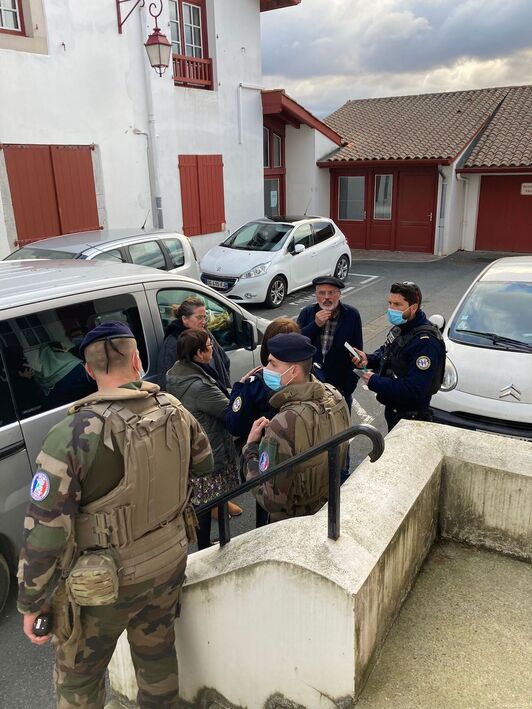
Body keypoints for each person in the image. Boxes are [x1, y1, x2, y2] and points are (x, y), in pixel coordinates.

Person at [17, 321, 214, 709]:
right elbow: (204, 464)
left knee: (79, 681)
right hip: (167, 560)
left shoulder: (73, 432)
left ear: (89, 372)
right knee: (157, 658)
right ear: (137, 360)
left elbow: (45, 530)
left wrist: (32, 601)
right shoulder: (172, 408)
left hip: (105, 584)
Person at [243, 333, 351, 523]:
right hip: (330, 507)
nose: (266, 369)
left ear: (293, 371)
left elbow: (271, 499)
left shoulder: (284, 422)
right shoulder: (334, 396)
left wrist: (251, 449)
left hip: (294, 520)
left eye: (273, 364)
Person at [166, 329, 241, 549]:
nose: (213, 348)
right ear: (199, 353)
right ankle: (207, 546)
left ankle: (205, 544)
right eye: (209, 345)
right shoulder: (199, 387)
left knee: (203, 501)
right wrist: (240, 391)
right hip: (211, 450)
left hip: (194, 449)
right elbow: (228, 411)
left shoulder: (176, 373)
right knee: (209, 503)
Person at [227, 317, 300, 527]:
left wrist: (239, 388)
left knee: (267, 513)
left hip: (266, 462)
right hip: (304, 459)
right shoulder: (310, 375)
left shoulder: (255, 383)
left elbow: (234, 425)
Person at [352, 281, 445, 431]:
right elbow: (386, 352)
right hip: (394, 408)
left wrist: (375, 381)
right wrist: (368, 359)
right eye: (390, 303)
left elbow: (415, 389)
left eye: (397, 304)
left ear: (413, 307)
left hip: (411, 418)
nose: (391, 309)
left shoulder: (425, 343)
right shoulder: (401, 328)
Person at [296, 276, 363, 410]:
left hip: (340, 389)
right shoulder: (307, 313)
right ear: (316, 295)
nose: (326, 297)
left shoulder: (351, 315)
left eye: (331, 292)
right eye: (322, 293)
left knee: (341, 429)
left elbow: (357, 352)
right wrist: (315, 325)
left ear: (339, 294)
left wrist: (349, 387)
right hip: (310, 388)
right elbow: (296, 344)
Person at [157, 296, 230, 390]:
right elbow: (166, 382)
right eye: (199, 317)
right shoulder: (173, 343)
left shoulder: (205, 333)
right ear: (184, 319)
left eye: (204, 317)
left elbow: (224, 360)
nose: (203, 321)